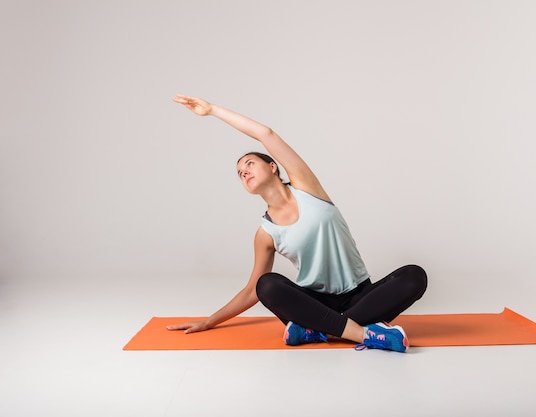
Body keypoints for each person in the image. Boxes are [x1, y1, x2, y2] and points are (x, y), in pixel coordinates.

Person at [166, 94, 427, 352]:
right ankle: (363, 333)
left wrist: (212, 109)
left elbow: (266, 134)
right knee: (266, 284)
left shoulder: (307, 188)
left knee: (414, 276)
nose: (244, 172)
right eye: (239, 173)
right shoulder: (265, 233)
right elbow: (252, 292)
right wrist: (209, 321)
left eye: (249, 164)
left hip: (359, 296)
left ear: (272, 167)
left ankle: (318, 330)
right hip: (311, 303)